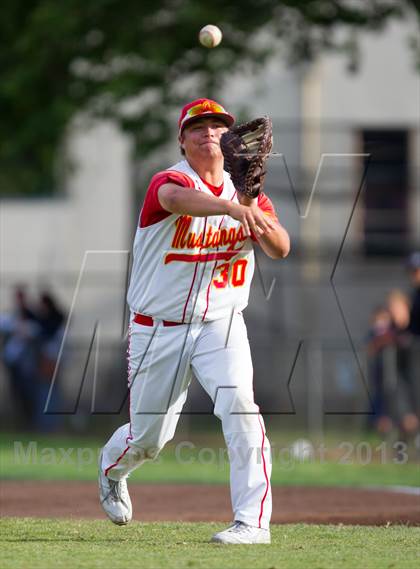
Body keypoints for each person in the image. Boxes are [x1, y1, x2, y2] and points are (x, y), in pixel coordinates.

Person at [98, 98, 290, 544]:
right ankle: (112, 469)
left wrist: (250, 205)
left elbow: (280, 248)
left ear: (231, 141)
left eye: (218, 127)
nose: (209, 133)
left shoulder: (249, 195)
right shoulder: (169, 180)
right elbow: (175, 200)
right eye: (198, 127)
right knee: (150, 439)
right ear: (182, 141)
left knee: (241, 405)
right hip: (157, 329)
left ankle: (252, 522)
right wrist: (229, 208)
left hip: (221, 324)